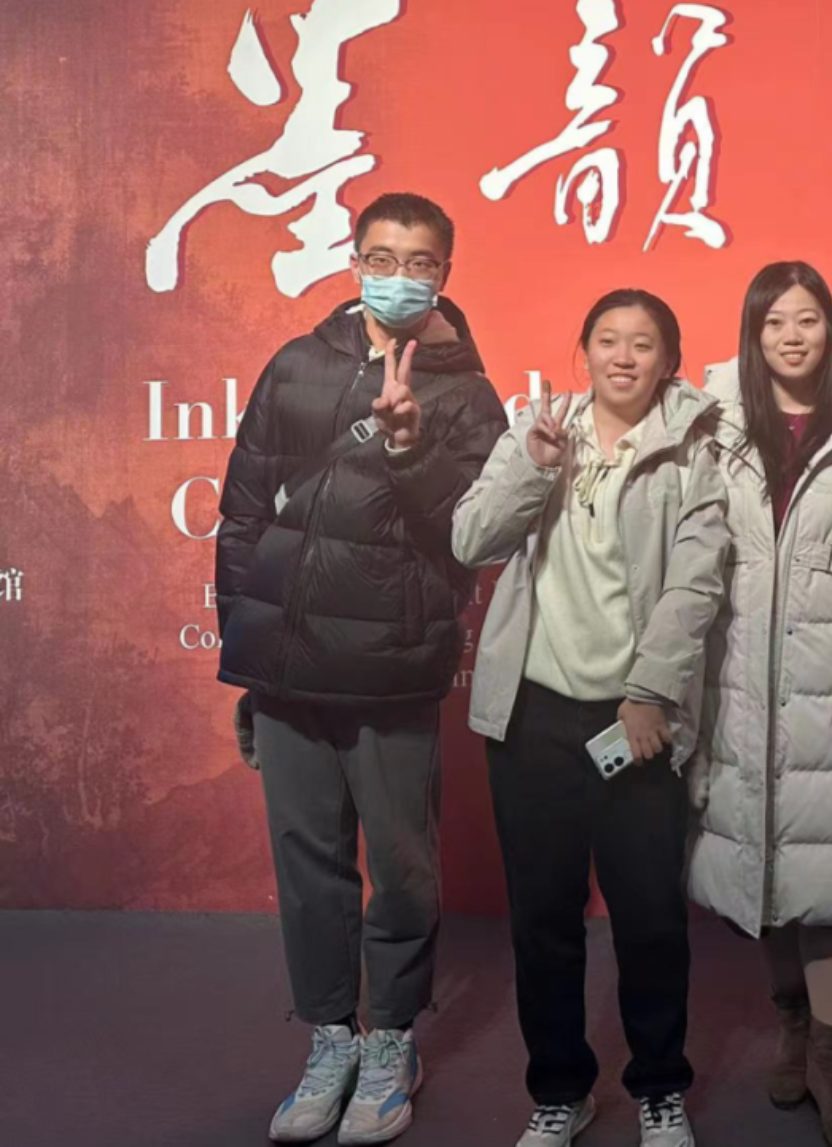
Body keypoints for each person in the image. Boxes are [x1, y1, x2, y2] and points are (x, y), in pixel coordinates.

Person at [216, 192, 508, 1145]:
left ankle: (391, 1041)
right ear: (353, 260)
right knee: (308, 868)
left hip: (392, 669)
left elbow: (470, 533)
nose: (398, 275)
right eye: (382, 256)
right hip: (286, 672)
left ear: (445, 274)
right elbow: (243, 513)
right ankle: (331, 1037)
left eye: (419, 262)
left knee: (404, 869)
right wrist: (245, 653)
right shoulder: (295, 365)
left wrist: (412, 444)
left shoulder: (469, 396)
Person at [451, 290, 728, 1147]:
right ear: (583, 350)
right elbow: (471, 540)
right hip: (533, 715)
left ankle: (659, 1088)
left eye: (643, 343)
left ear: (668, 360)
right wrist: (533, 468)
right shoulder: (538, 430)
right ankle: (560, 1091)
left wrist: (649, 693)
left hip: (636, 719)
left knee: (650, 919)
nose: (624, 356)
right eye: (608, 340)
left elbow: (696, 584)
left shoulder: (694, 449)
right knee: (543, 919)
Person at [688, 261, 832, 1147]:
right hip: (738, 671)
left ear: (830, 327)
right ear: (753, 333)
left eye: (808, 318)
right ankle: (792, 1023)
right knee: (764, 857)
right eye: (775, 321)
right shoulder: (714, 427)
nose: (792, 335)